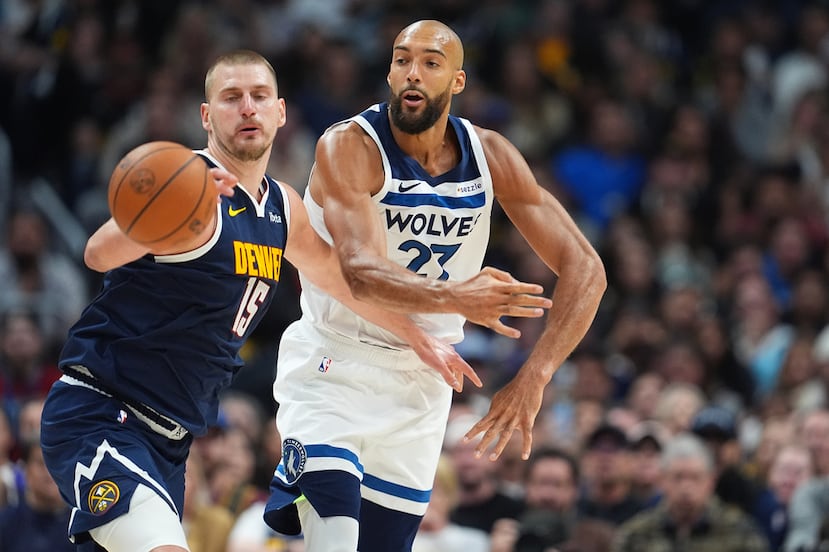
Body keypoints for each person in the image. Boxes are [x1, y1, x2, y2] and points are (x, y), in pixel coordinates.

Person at [39, 49, 530, 552]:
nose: (247, 108)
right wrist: (173, 201)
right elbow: (98, 253)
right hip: (100, 412)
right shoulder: (186, 182)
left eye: (259, 96)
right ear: (206, 116)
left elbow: (340, 280)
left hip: (171, 438)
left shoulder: (282, 206)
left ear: (280, 113)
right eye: (231, 97)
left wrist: (419, 338)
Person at [263, 19, 606, 552]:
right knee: (334, 538)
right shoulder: (349, 146)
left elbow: (587, 268)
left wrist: (537, 374)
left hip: (424, 380)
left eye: (430, 62)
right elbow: (359, 271)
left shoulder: (491, 155)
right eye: (402, 60)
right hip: (335, 364)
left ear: (458, 80)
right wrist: (457, 297)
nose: (413, 73)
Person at [613, 433, 770, 552]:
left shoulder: (740, 532)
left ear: (711, 481)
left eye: (695, 478)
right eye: (678, 477)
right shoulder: (637, 535)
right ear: (662, 480)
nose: (686, 487)